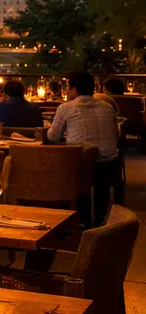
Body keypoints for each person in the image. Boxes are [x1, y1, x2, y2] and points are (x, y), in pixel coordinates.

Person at [48, 71, 120, 223]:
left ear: (74, 90)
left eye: (67, 87)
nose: (66, 91)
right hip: (109, 162)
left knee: (73, 164)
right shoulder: (108, 107)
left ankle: (80, 218)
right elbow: (116, 135)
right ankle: (99, 218)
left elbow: (53, 137)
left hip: (82, 163)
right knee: (100, 174)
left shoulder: (66, 107)